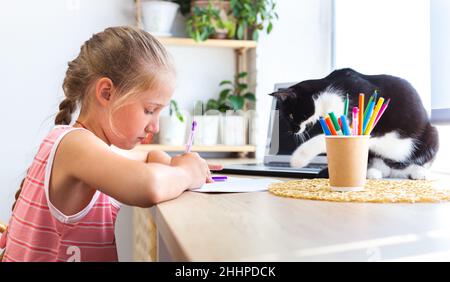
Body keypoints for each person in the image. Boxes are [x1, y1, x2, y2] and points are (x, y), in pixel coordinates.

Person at [0, 26, 221, 262]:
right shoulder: (75, 146)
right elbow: (149, 186)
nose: (154, 126)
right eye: (149, 110)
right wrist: (186, 173)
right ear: (106, 93)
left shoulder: (95, 147)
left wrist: (174, 164)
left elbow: (149, 158)